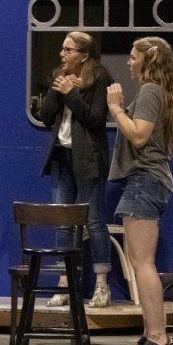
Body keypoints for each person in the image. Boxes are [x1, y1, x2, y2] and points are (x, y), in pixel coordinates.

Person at [107, 37, 173, 345]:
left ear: (147, 60)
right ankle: (151, 332)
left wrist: (115, 108)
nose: (128, 62)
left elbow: (138, 134)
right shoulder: (153, 91)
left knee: (144, 263)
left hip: (145, 181)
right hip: (144, 181)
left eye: (133, 57)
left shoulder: (151, 90)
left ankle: (159, 337)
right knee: (140, 263)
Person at [39, 31, 115, 308]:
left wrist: (71, 94)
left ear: (84, 55)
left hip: (89, 160)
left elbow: (95, 120)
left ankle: (101, 286)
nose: (62, 54)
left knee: (94, 221)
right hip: (61, 157)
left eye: (68, 50)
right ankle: (64, 282)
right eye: (62, 49)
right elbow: (45, 117)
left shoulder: (101, 78)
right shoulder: (60, 78)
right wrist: (57, 90)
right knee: (63, 221)